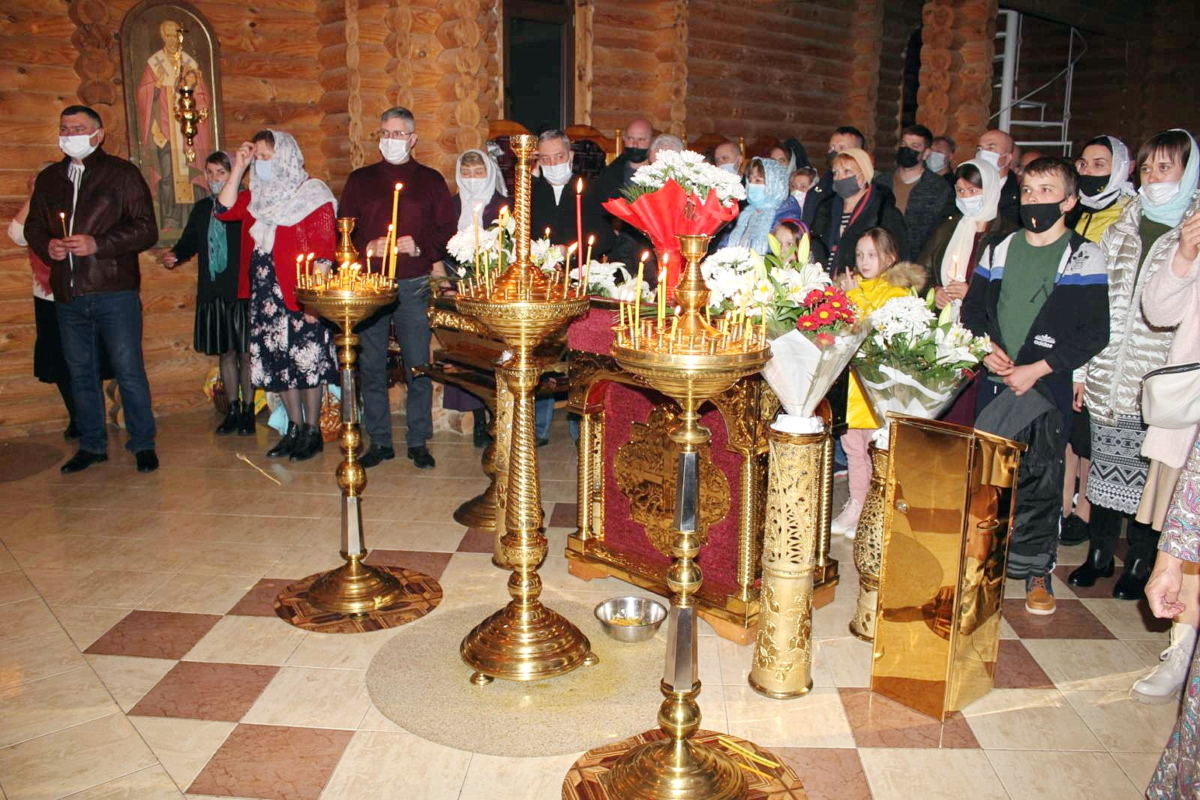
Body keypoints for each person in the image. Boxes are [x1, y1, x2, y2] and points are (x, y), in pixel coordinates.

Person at [962, 156, 1110, 615]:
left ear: (1068, 201)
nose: (1034, 199)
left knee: (1042, 479)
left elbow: (1094, 332)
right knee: (987, 477)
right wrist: (985, 348)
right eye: (1028, 190)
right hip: (997, 379)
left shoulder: (1084, 255)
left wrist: (1039, 368)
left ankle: (1037, 570)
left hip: (1046, 384)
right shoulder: (999, 248)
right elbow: (972, 312)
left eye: (1046, 191)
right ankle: (981, 563)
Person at [1071, 130, 1199, 600]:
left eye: (1165, 168)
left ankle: (1142, 562)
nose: (1153, 178)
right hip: (1110, 369)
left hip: (1159, 378)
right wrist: (1082, 370)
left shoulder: (1193, 230)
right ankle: (1099, 555)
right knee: (1105, 468)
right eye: (1147, 169)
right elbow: (1095, 303)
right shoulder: (1123, 225)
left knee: (1151, 477)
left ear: (1189, 172)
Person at [24, 105, 160, 474]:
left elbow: (147, 229)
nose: (70, 135)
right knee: (80, 372)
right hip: (68, 293)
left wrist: (98, 244)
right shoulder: (50, 178)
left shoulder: (122, 174)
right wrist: (47, 246)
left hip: (114, 289)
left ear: (97, 134)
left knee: (128, 370)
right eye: (64, 128)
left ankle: (143, 443)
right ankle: (92, 445)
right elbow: (34, 227)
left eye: (78, 128)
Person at [338, 107, 456, 469]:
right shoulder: (360, 180)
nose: (391, 140)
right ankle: (380, 440)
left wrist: (419, 248)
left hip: (414, 283)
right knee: (371, 364)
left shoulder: (430, 180)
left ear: (413, 138)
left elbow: (447, 231)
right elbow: (344, 232)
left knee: (418, 363)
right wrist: (366, 248)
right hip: (371, 284)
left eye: (399, 134)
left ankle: (418, 439)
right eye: (385, 133)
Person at [215, 129, 338, 462]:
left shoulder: (312, 193)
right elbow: (223, 209)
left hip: (300, 293)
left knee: (305, 361)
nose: (262, 163)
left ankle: (312, 431)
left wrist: (313, 301)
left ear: (285, 156)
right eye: (258, 157)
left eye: (266, 156)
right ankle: (293, 428)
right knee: (277, 363)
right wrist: (239, 168)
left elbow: (325, 250)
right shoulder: (256, 196)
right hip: (266, 294)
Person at [1133, 207, 1200, 708]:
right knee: (1188, 537)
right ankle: (1181, 649)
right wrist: (1185, 253)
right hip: (1192, 416)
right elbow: (1157, 309)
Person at [1058, 135, 1137, 546]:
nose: (1089, 172)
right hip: (1066, 328)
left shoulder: (1126, 215)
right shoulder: (1075, 211)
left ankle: (1086, 510)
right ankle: (1062, 504)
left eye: (1099, 164)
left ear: (1121, 168)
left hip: (1100, 336)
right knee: (1067, 430)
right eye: (1084, 164)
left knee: (1088, 435)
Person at [8, 164, 113, 441]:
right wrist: (34, 196)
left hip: (79, 292)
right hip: (47, 296)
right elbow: (16, 235)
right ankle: (77, 416)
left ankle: (92, 418)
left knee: (88, 358)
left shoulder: (74, 205)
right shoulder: (37, 210)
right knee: (59, 361)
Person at [834, 229, 927, 535]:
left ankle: (876, 510)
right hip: (852, 386)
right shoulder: (853, 286)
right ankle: (856, 504)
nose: (864, 261)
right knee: (853, 448)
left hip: (878, 387)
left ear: (889, 257)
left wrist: (853, 296)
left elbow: (874, 326)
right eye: (859, 255)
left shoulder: (897, 292)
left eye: (872, 255)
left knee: (875, 450)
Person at [919, 160, 1017, 427]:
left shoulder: (1008, 233)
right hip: (946, 330)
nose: (966, 198)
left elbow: (1011, 288)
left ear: (990, 190)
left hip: (983, 333)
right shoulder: (949, 227)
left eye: (973, 191)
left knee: (972, 410)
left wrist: (974, 294)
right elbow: (922, 271)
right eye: (960, 191)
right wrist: (934, 291)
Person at [162, 151, 254, 436]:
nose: (214, 179)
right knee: (226, 352)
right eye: (210, 173)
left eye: (221, 173)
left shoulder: (248, 203)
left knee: (246, 353)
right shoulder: (203, 208)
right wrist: (175, 255)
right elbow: (189, 241)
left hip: (242, 289)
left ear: (235, 174)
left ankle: (250, 410)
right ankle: (233, 408)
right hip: (214, 290)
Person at [443, 147, 507, 447]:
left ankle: (499, 416)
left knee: (495, 352)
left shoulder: (503, 205)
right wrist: (448, 282)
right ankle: (479, 418)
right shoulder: (451, 205)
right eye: (466, 173)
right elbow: (440, 243)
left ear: (489, 173)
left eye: (478, 172)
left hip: (495, 288)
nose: (472, 178)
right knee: (469, 354)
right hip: (459, 286)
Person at [811, 148, 909, 276]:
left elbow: (899, 257)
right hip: (826, 280)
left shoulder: (884, 212)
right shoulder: (826, 209)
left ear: (864, 176)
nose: (839, 178)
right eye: (835, 172)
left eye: (847, 171)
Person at [873, 124, 955, 257]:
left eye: (915, 146)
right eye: (904, 144)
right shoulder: (881, 183)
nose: (907, 149)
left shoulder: (939, 188)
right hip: (880, 256)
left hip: (916, 260)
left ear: (926, 153)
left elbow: (938, 233)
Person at [1073, 135, 1136, 243]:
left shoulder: (1130, 215)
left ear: (1119, 169)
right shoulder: (1071, 206)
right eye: (1083, 164)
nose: (1086, 171)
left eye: (1098, 164)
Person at [720, 157, 789, 253]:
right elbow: (725, 243)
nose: (751, 185)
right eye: (750, 180)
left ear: (774, 184)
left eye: (758, 180)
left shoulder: (785, 215)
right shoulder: (746, 213)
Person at [975, 128, 1021, 225]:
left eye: (991, 148)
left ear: (1007, 158)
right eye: (979, 149)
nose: (982, 153)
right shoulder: (964, 185)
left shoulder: (1018, 195)